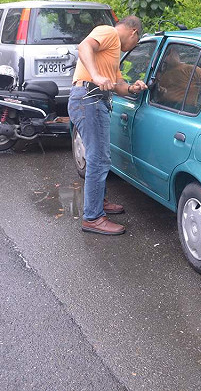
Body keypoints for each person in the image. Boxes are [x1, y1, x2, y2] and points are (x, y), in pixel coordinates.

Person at [69, 16, 147, 236]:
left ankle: (98, 202)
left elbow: (117, 84)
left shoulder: (112, 52)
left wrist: (132, 88)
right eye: (137, 42)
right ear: (133, 32)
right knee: (99, 159)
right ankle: (93, 217)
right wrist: (95, 75)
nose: (133, 46)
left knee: (100, 156)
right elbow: (84, 46)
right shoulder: (109, 32)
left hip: (94, 101)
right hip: (89, 99)